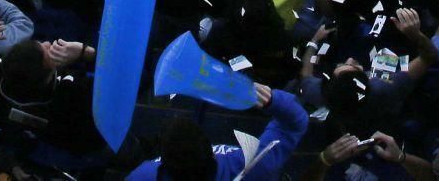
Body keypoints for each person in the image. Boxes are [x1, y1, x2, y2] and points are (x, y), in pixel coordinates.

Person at [127, 83, 307, 180]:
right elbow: (294, 124)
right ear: (211, 151)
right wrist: (272, 100)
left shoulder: (142, 175)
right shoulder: (255, 165)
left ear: (164, 163)